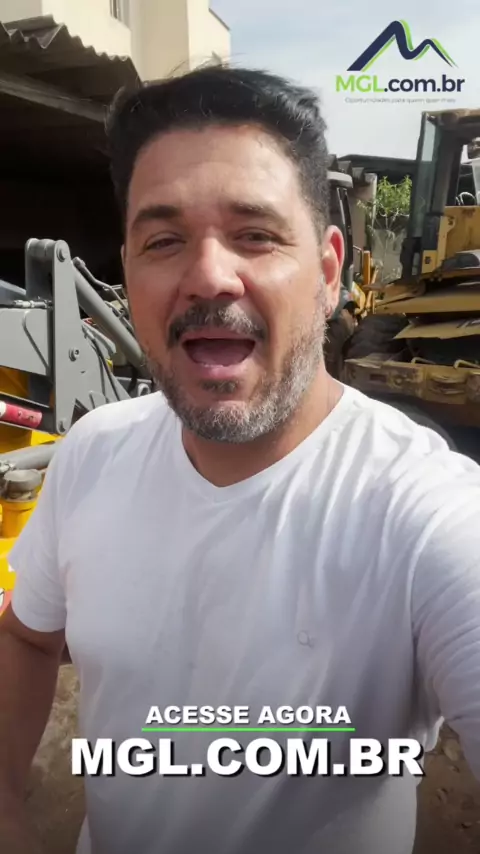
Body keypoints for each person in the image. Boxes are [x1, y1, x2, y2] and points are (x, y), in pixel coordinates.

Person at [0, 65, 479, 854]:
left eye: (255, 235)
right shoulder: (92, 453)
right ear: (128, 271)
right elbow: (26, 637)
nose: (208, 275)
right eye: (163, 241)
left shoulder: (426, 515)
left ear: (329, 271)